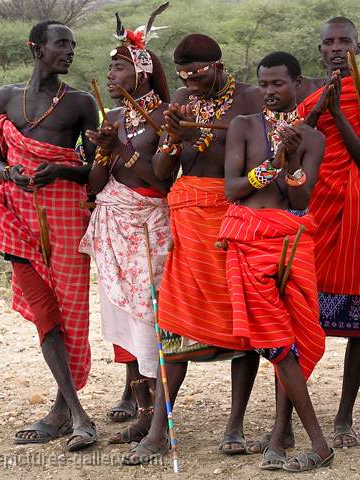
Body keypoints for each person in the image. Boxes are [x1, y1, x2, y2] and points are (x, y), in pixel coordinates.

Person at [122, 33, 264, 465]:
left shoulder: (252, 99)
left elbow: (262, 158)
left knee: (243, 322)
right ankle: (161, 431)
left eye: (198, 74)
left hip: (234, 217)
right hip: (187, 221)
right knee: (177, 322)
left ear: (219, 66)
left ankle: (235, 425)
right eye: (183, 75)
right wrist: (170, 135)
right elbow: (164, 172)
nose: (190, 82)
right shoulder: (181, 99)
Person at [0, 20, 99, 451]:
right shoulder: (5, 98)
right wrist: (10, 173)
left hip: (67, 217)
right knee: (45, 314)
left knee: (72, 315)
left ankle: (60, 411)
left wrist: (63, 170)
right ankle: (78, 415)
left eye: (72, 45)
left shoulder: (81, 104)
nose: (69, 52)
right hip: (16, 217)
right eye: (61, 44)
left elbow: (95, 170)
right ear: (37, 47)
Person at [220, 51, 330, 472]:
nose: (269, 92)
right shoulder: (244, 127)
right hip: (247, 236)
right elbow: (233, 190)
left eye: (278, 84)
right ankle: (313, 441)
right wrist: (270, 165)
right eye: (263, 84)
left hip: (292, 239)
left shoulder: (313, 138)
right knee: (274, 341)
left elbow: (301, 199)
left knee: (293, 341)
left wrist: (292, 161)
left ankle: (286, 437)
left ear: (297, 85)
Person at [292, 16, 360, 450]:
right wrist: (320, 109)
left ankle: (344, 416)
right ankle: (293, 414)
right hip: (313, 212)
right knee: (299, 317)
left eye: (345, 42)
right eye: (329, 42)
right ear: (320, 50)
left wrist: (338, 113)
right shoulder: (307, 100)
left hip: (357, 212)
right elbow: (294, 152)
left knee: (355, 325)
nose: (337, 48)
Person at [79, 11, 171, 445]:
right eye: (110, 67)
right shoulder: (111, 117)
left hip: (150, 226)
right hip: (113, 222)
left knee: (148, 317)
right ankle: (142, 410)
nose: (111, 75)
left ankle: (157, 418)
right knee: (122, 316)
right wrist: (101, 155)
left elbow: (159, 179)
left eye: (119, 67)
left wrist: (124, 151)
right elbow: (97, 186)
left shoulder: (166, 115)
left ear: (143, 71)